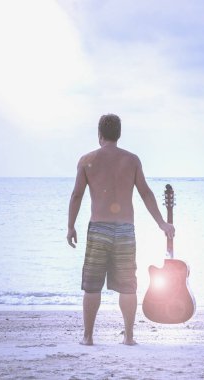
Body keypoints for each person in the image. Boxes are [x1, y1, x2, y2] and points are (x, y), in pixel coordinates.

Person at [67, 114, 175, 346]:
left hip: (98, 229)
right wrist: (161, 224)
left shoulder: (87, 160)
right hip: (125, 229)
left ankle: (87, 337)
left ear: (99, 135)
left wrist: (70, 226)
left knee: (92, 284)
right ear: (119, 134)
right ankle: (128, 336)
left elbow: (77, 195)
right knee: (128, 285)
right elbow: (145, 193)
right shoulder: (132, 160)